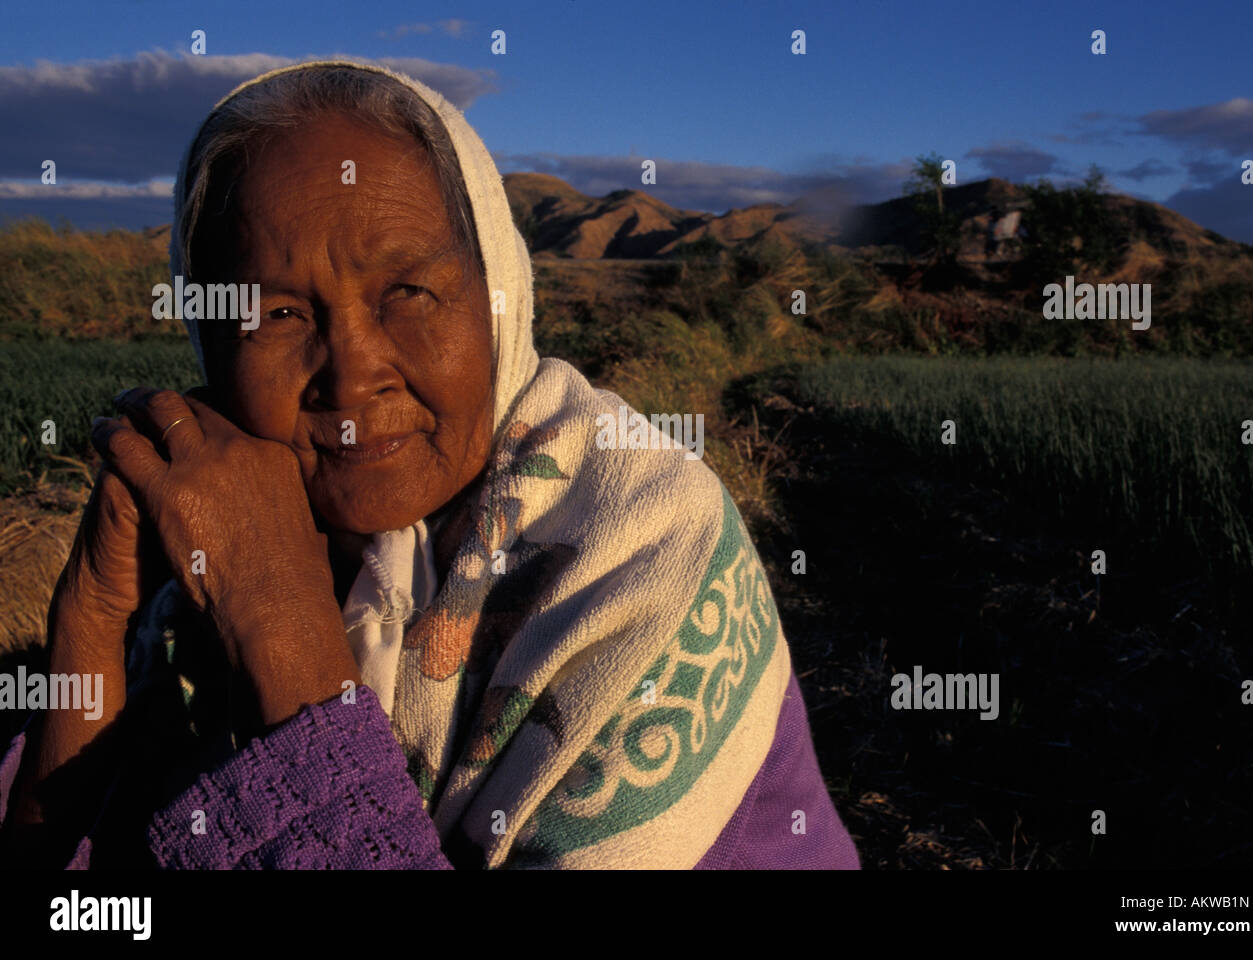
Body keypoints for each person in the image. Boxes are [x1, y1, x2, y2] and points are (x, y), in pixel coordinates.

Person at [0, 60, 859, 870]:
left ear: (499, 303)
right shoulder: (197, 558)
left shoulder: (642, 549)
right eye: (282, 314)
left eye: (407, 292)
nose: (353, 370)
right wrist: (93, 620)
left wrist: (278, 628)